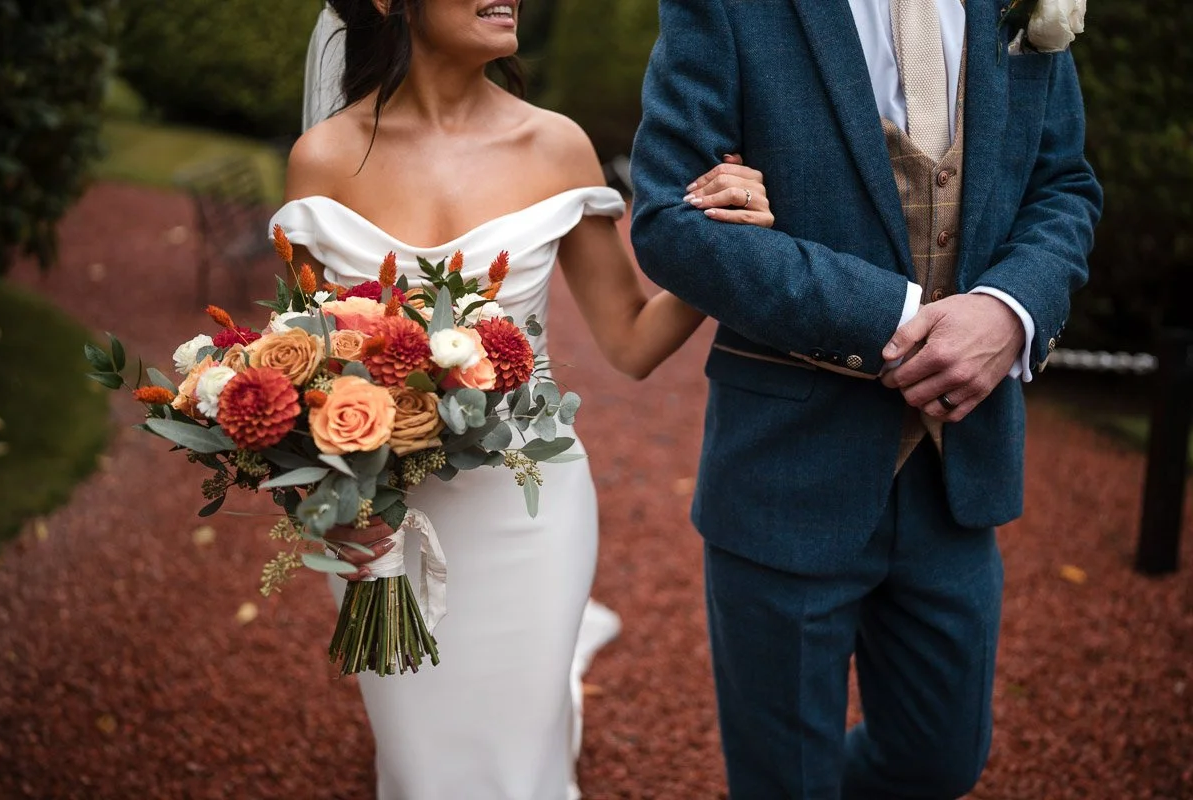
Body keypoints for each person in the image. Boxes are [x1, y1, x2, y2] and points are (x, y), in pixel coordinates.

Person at [270, 2, 772, 798]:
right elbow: (293, 370)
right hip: (382, 527)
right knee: (420, 761)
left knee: (517, 754)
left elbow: (632, 342)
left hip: (530, 507)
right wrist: (325, 498)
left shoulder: (555, 144)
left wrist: (730, 249)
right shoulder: (322, 159)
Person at [630, 1, 1102, 798]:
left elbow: (1064, 186)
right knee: (786, 780)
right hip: (786, 467)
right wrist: (899, 318)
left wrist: (1006, 310)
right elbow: (672, 222)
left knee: (939, 761)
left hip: (960, 465)